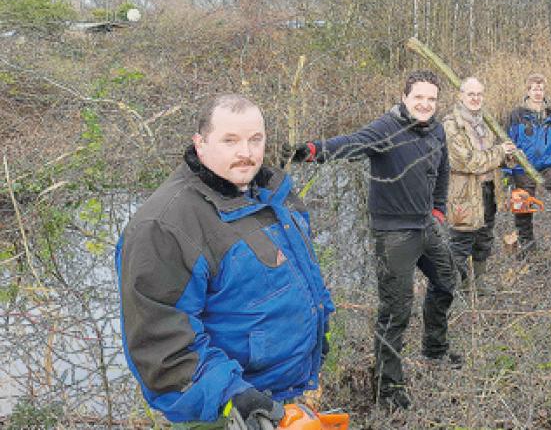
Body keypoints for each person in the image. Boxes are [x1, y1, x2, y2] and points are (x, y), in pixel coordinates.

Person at [116, 94, 334, 429]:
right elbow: (161, 347)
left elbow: (300, 277)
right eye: (229, 141)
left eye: (255, 139)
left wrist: (318, 332)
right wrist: (235, 396)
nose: (246, 152)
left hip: (281, 399)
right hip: (225, 412)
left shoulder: (272, 194)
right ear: (200, 144)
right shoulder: (165, 225)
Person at [283, 70, 456, 410]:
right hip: (394, 234)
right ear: (405, 98)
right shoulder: (387, 128)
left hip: (426, 226)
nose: (425, 104)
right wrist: (311, 150)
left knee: (448, 281)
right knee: (396, 310)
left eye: (431, 99)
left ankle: (435, 348)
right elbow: (351, 143)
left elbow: (443, 171)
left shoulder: (436, 130)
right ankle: (388, 388)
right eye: (419, 97)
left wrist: (438, 210)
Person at [442, 77, 516, 294]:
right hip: (463, 192)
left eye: (479, 94)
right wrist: (500, 152)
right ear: (460, 96)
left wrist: (508, 156)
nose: (475, 98)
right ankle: (453, 288)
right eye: (470, 94)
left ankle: (480, 284)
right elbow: (469, 162)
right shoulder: (451, 125)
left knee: (484, 237)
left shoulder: (486, 121)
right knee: (461, 241)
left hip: (489, 189)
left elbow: (494, 157)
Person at [504, 73, 551, 257]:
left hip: (547, 166)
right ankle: (529, 250)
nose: (538, 92)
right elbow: (507, 145)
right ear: (528, 91)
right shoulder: (516, 115)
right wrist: (508, 175)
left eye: (541, 89)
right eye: (534, 89)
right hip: (522, 167)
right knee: (523, 209)